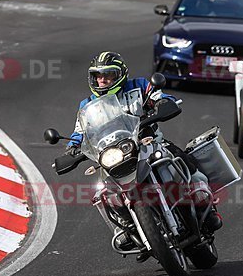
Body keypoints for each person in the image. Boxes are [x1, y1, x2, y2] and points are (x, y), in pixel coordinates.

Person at [67, 51, 223, 239]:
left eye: (108, 75)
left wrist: (163, 102)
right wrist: (72, 148)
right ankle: (128, 227)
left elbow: (158, 95)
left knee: (180, 158)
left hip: (149, 143)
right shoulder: (87, 105)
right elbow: (80, 131)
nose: (102, 80)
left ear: (120, 74)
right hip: (113, 155)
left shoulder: (139, 86)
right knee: (102, 190)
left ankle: (204, 203)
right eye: (98, 76)